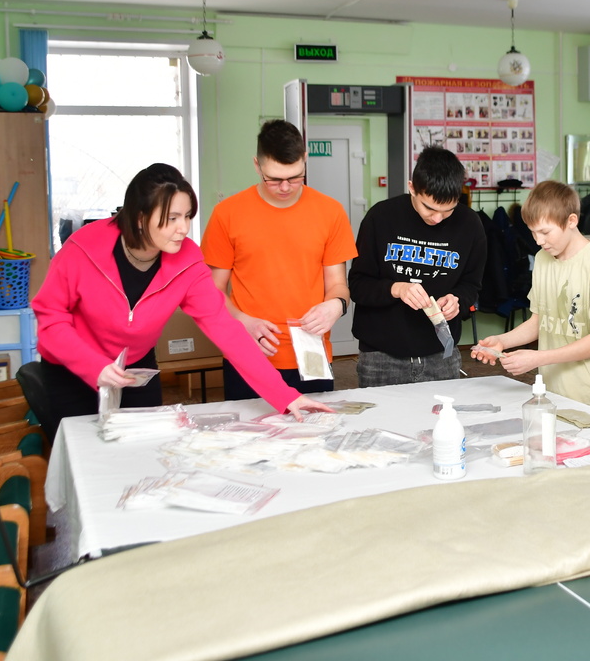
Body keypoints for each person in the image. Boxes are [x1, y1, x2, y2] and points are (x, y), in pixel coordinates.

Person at [31, 163, 330, 441]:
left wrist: (285, 395)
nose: (184, 228)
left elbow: (226, 329)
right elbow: (50, 320)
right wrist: (93, 366)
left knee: (146, 449)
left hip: (135, 369)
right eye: (172, 218)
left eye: (187, 217)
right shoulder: (84, 247)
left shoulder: (187, 260)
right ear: (140, 218)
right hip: (72, 368)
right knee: (83, 450)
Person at [202, 120, 357, 399]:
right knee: (249, 426)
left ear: (305, 160)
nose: (285, 187)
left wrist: (335, 305)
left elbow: (337, 284)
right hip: (249, 351)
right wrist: (242, 321)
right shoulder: (227, 214)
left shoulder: (330, 212)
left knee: (314, 424)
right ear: (257, 165)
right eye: (273, 179)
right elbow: (212, 290)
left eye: (296, 177)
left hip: (311, 353)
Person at [471, 181, 590, 414]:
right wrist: (502, 341)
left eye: (545, 232)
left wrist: (538, 358)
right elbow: (539, 321)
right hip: (553, 393)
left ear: (571, 221)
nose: (538, 240)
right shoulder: (543, 258)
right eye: (533, 232)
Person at [347, 146, 486, 386]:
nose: (437, 218)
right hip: (381, 357)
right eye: (429, 208)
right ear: (412, 187)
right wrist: (397, 289)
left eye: (448, 210)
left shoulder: (470, 224)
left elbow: (471, 285)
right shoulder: (380, 217)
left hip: (442, 355)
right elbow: (358, 286)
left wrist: (458, 301)